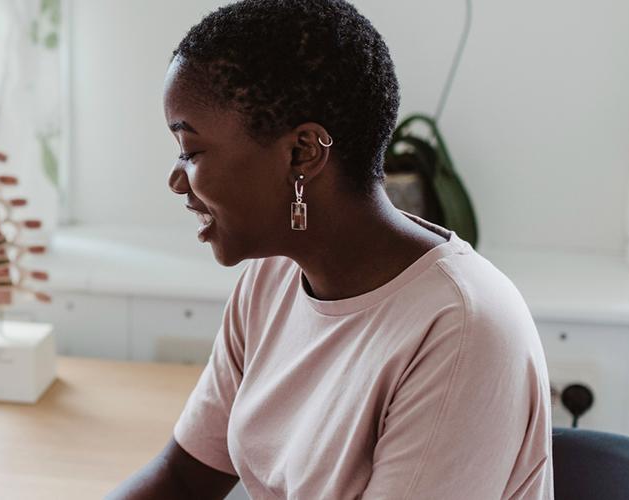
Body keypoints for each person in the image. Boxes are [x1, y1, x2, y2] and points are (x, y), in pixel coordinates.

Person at [109, 1, 553, 498]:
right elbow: (182, 479)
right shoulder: (271, 279)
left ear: (303, 152)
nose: (176, 180)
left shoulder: (463, 328)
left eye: (191, 151)